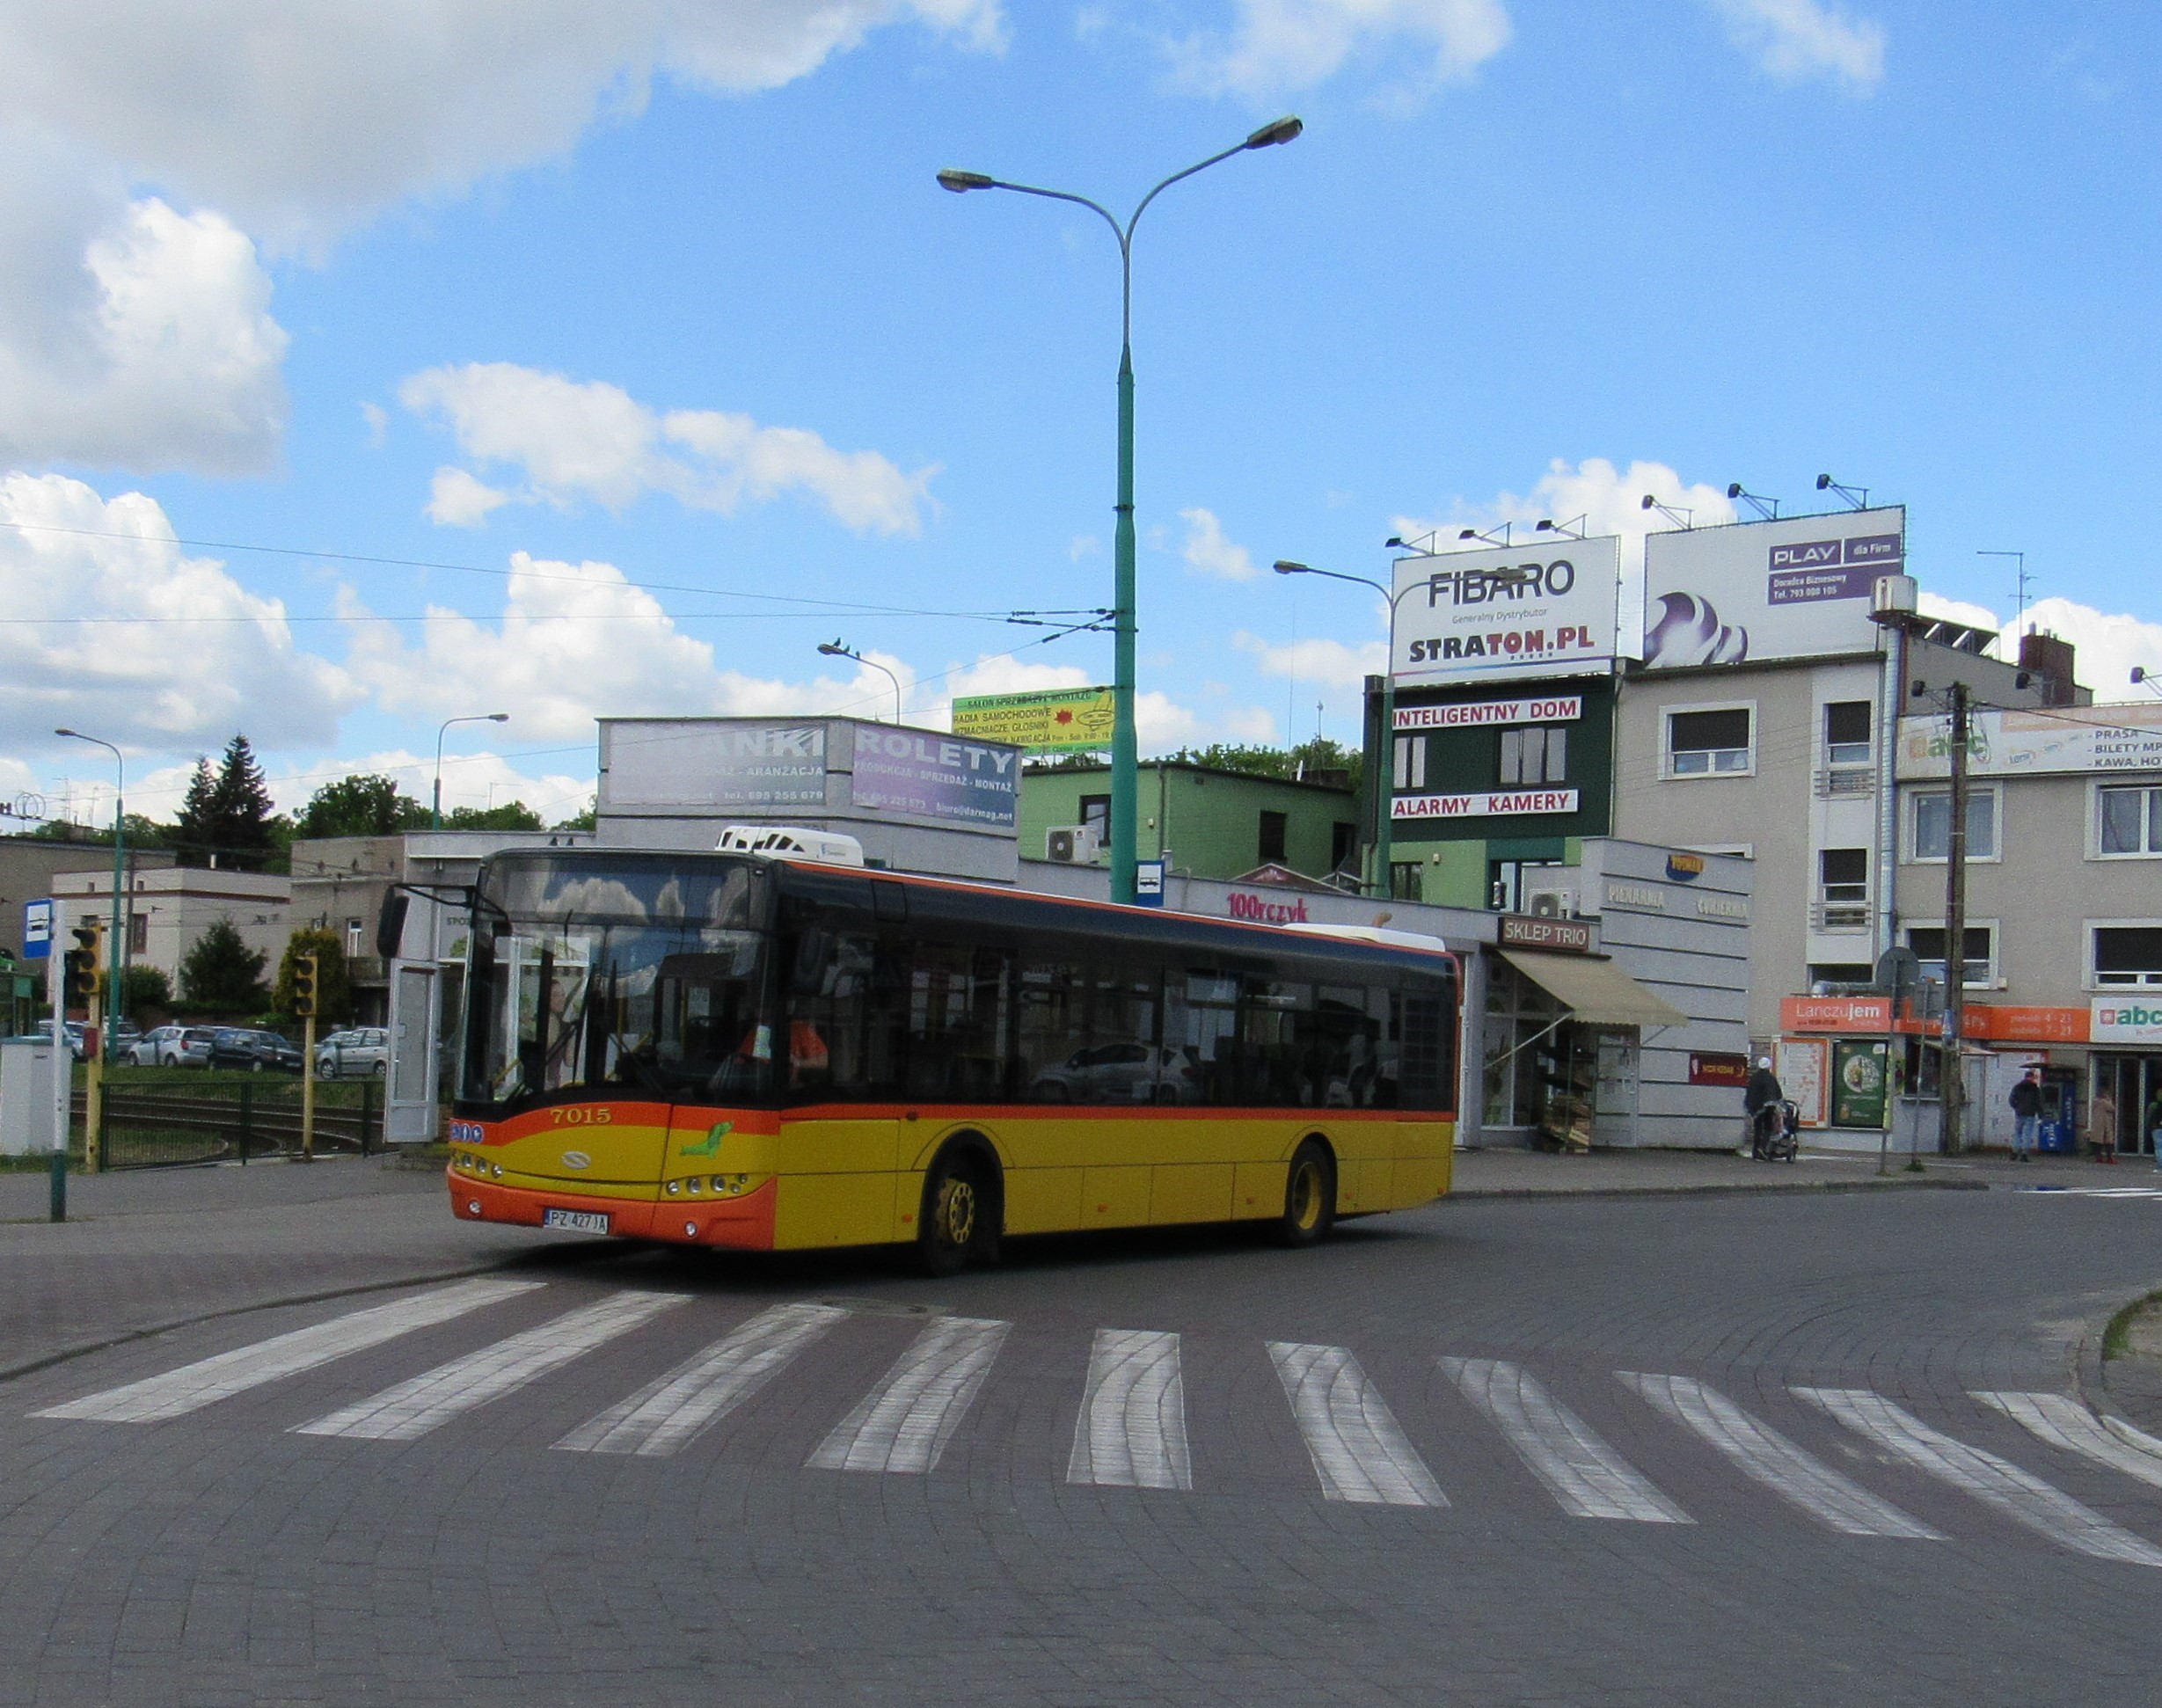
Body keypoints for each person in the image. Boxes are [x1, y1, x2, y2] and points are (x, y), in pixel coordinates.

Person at [1743, 1056, 1784, 1157]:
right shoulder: (1771, 1078)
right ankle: (1762, 1147)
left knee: (1757, 1129)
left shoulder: (1754, 1078)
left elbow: (1749, 1093)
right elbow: (1778, 1094)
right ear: (1768, 1066)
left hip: (1756, 1108)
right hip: (1769, 1106)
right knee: (1768, 1127)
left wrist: (1750, 1107)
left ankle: (1755, 1152)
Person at [2008, 1067, 2042, 1162]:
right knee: (2027, 1134)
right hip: (2030, 1114)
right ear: (2031, 1078)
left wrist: (2016, 1107)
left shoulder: (2017, 1087)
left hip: (2019, 1113)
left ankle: (2015, 1152)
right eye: (2033, 1077)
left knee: (2017, 1133)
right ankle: (2024, 1154)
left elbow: (2011, 1100)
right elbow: (2038, 1103)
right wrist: (2040, 1115)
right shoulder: (2035, 1089)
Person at [2090, 1084, 2118, 1165]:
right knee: (2108, 1142)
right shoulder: (2104, 1102)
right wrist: (2109, 1100)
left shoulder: (2095, 1102)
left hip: (2097, 1125)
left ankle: (2099, 1157)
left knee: (2098, 1142)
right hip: (2105, 1125)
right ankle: (2110, 1158)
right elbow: (2113, 1108)